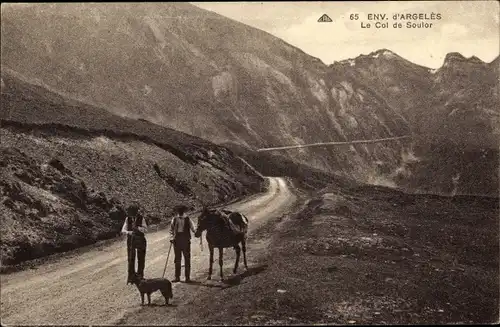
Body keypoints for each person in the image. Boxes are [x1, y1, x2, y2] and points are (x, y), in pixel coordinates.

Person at [121, 203, 148, 284]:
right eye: (130, 213)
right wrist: (129, 232)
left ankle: (140, 276)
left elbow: (146, 229)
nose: (132, 215)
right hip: (131, 240)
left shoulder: (141, 218)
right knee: (131, 258)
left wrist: (138, 228)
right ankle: (131, 277)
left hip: (140, 240)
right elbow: (123, 230)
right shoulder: (127, 219)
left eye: (133, 213)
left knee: (141, 258)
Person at [170, 205, 196, 283]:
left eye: (181, 210)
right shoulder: (174, 219)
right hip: (177, 240)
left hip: (185, 240)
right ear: (177, 211)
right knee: (177, 259)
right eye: (179, 210)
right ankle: (177, 277)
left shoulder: (188, 219)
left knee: (187, 258)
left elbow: (192, 227)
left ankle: (187, 277)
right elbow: (171, 230)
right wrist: (171, 237)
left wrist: (196, 232)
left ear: (184, 211)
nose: (180, 212)